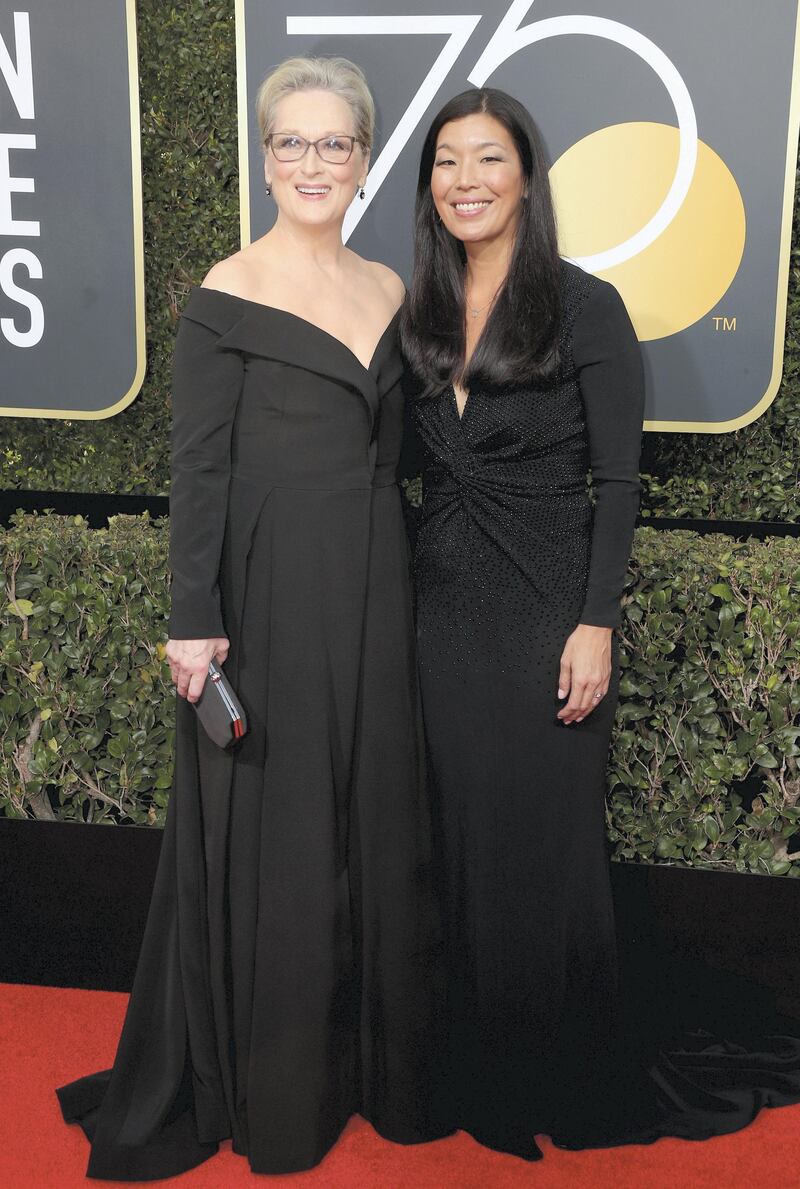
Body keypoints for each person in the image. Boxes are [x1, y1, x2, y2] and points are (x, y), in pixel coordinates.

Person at [57, 56, 444, 1179]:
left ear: (364, 161)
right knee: (282, 838)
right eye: (293, 142)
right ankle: (280, 1090)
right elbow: (200, 470)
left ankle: (378, 1066)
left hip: (379, 582)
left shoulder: (387, 288)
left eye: (336, 144)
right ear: (264, 157)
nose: (313, 162)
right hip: (271, 592)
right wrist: (192, 622)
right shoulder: (225, 294)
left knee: (373, 816)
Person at [401, 86, 800, 1161]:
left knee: (537, 845)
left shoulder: (584, 306)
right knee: (451, 835)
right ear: (426, 182)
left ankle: (548, 1061)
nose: (464, 181)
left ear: (526, 176)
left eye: (486, 159)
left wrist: (593, 624)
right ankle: (470, 1055)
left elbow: (616, 481)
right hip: (435, 610)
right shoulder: (415, 312)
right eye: (445, 161)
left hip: (540, 608)